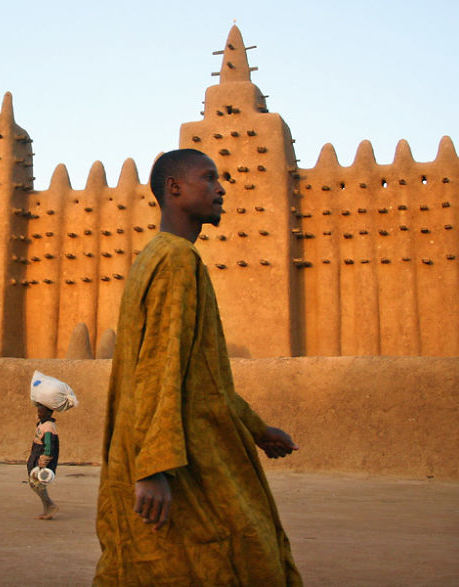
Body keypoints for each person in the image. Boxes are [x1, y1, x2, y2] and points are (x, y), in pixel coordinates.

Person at [93, 149, 302, 585]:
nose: (221, 189)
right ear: (175, 188)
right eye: (209, 178)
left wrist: (257, 429)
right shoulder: (176, 261)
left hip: (166, 450)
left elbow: (204, 376)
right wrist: (154, 468)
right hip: (180, 459)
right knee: (242, 554)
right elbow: (158, 364)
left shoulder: (156, 257)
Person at [27, 403, 60, 520]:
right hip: (36, 454)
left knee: (36, 482)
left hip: (41, 456)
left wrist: (45, 458)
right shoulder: (43, 424)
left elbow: (49, 444)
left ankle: (50, 505)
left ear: (48, 412)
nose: (39, 414)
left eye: (41, 412)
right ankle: (48, 508)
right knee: (36, 483)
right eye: (38, 411)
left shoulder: (49, 427)